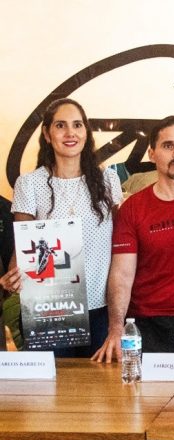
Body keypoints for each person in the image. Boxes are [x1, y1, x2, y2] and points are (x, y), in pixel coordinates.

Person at [0, 98, 122, 357]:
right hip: (51, 308)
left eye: (77, 125)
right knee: (55, 382)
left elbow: (121, 244)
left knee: (102, 382)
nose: (70, 133)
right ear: (47, 134)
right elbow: (23, 249)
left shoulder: (108, 180)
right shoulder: (29, 184)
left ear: (86, 132)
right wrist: (13, 277)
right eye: (60, 125)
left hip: (102, 307)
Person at [92, 116, 174, 362]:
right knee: (145, 389)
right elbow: (122, 274)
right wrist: (116, 329)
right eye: (168, 146)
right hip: (146, 323)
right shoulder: (133, 208)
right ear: (151, 154)